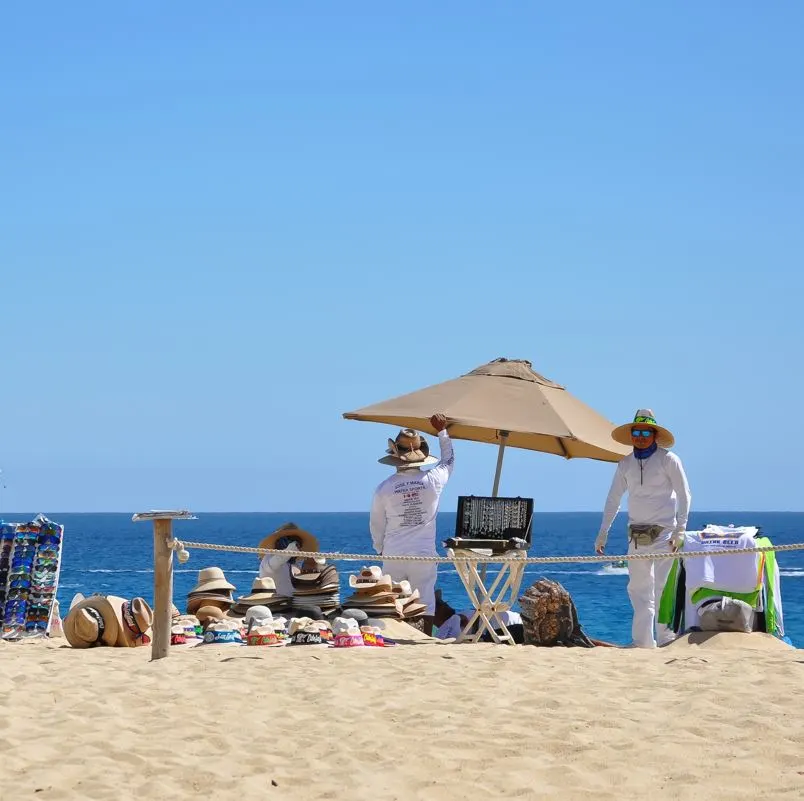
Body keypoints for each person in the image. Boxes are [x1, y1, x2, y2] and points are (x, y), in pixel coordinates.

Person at [595, 409, 691, 648]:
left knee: (663, 587)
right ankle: (643, 642)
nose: (640, 436)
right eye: (636, 432)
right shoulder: (625, 463)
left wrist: (681, 529)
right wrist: (603, 532)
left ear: (654, 434)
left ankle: (667, 638)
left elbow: (684, 494)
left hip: (665, 533)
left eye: (645, 432)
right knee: (638, 590)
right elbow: (613, 499)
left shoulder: (669, 460)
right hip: (637, 534)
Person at [370, 413, 454, 637]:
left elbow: (377, 525)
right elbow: (449, 461)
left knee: (395, 600)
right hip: (423, 554)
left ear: (395, 455)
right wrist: (442, 432)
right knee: (425, 600)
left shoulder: (384, 488)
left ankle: (396, 639)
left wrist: (381, 549)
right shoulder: (433, 480)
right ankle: (424, 639)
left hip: (394, 553)